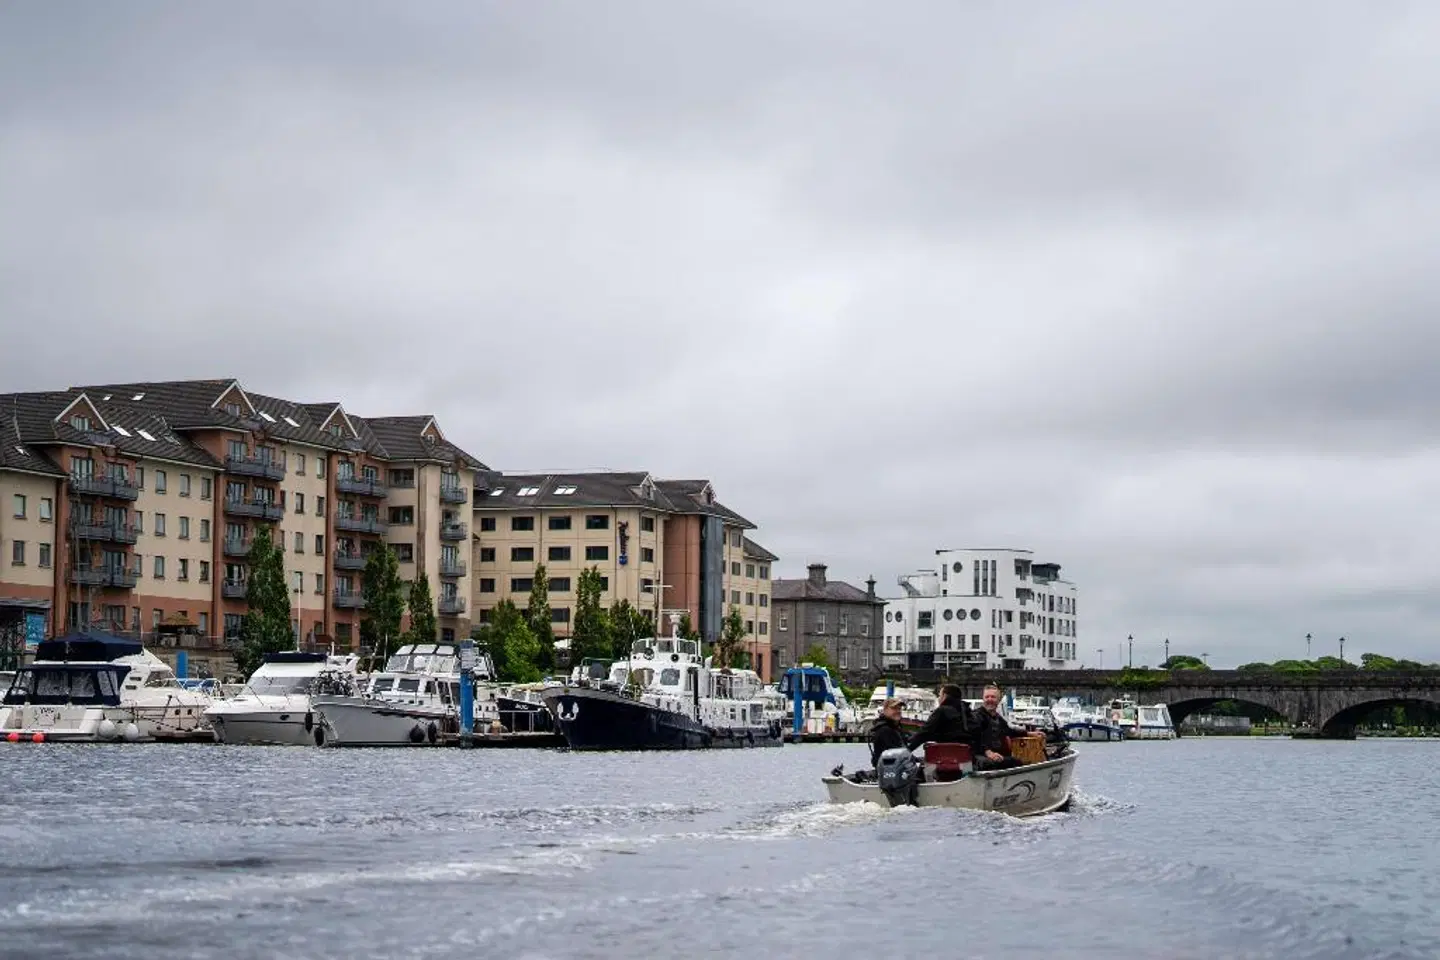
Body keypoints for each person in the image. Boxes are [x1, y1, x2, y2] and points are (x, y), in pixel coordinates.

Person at [970, 683, 1041, 770]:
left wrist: (1029, 733)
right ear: (983, 699)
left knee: (1020, 762)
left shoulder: (999, 719)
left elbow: (1010, 731)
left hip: (998, 756)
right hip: (982, 757)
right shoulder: (976, 716)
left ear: (998, 700)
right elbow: (974, 738)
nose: (990, 699)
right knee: (1015, 763)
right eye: (987, 697)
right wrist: (988, 752)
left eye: (993, 697)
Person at [905, 683, 974, 751]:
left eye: (939, 695)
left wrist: (907, 750)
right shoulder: (967, 711)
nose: (938, 698)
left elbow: (925, 732)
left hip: (947, 753)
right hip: (966, 754)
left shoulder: (942, 711)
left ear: (944, 696)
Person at [869, 698, 907, 768]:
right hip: (888, 770)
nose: (898, 711)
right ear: (885, 710)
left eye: (899, 709)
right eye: (894, 708)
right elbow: (896, 752)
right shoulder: (884, 730)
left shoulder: (895, 728)